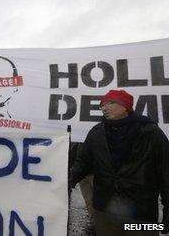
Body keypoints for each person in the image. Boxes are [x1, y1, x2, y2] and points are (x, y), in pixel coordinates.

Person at [69, 89, 169, 236]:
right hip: (104, 212)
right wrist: (62, 183)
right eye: (102, 104)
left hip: (140, 216)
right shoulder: (97, 132)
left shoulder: (151, 133)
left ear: (126, 106)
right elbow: (82, 163)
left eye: (111, 103)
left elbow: (166, 174)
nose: (104, 107)